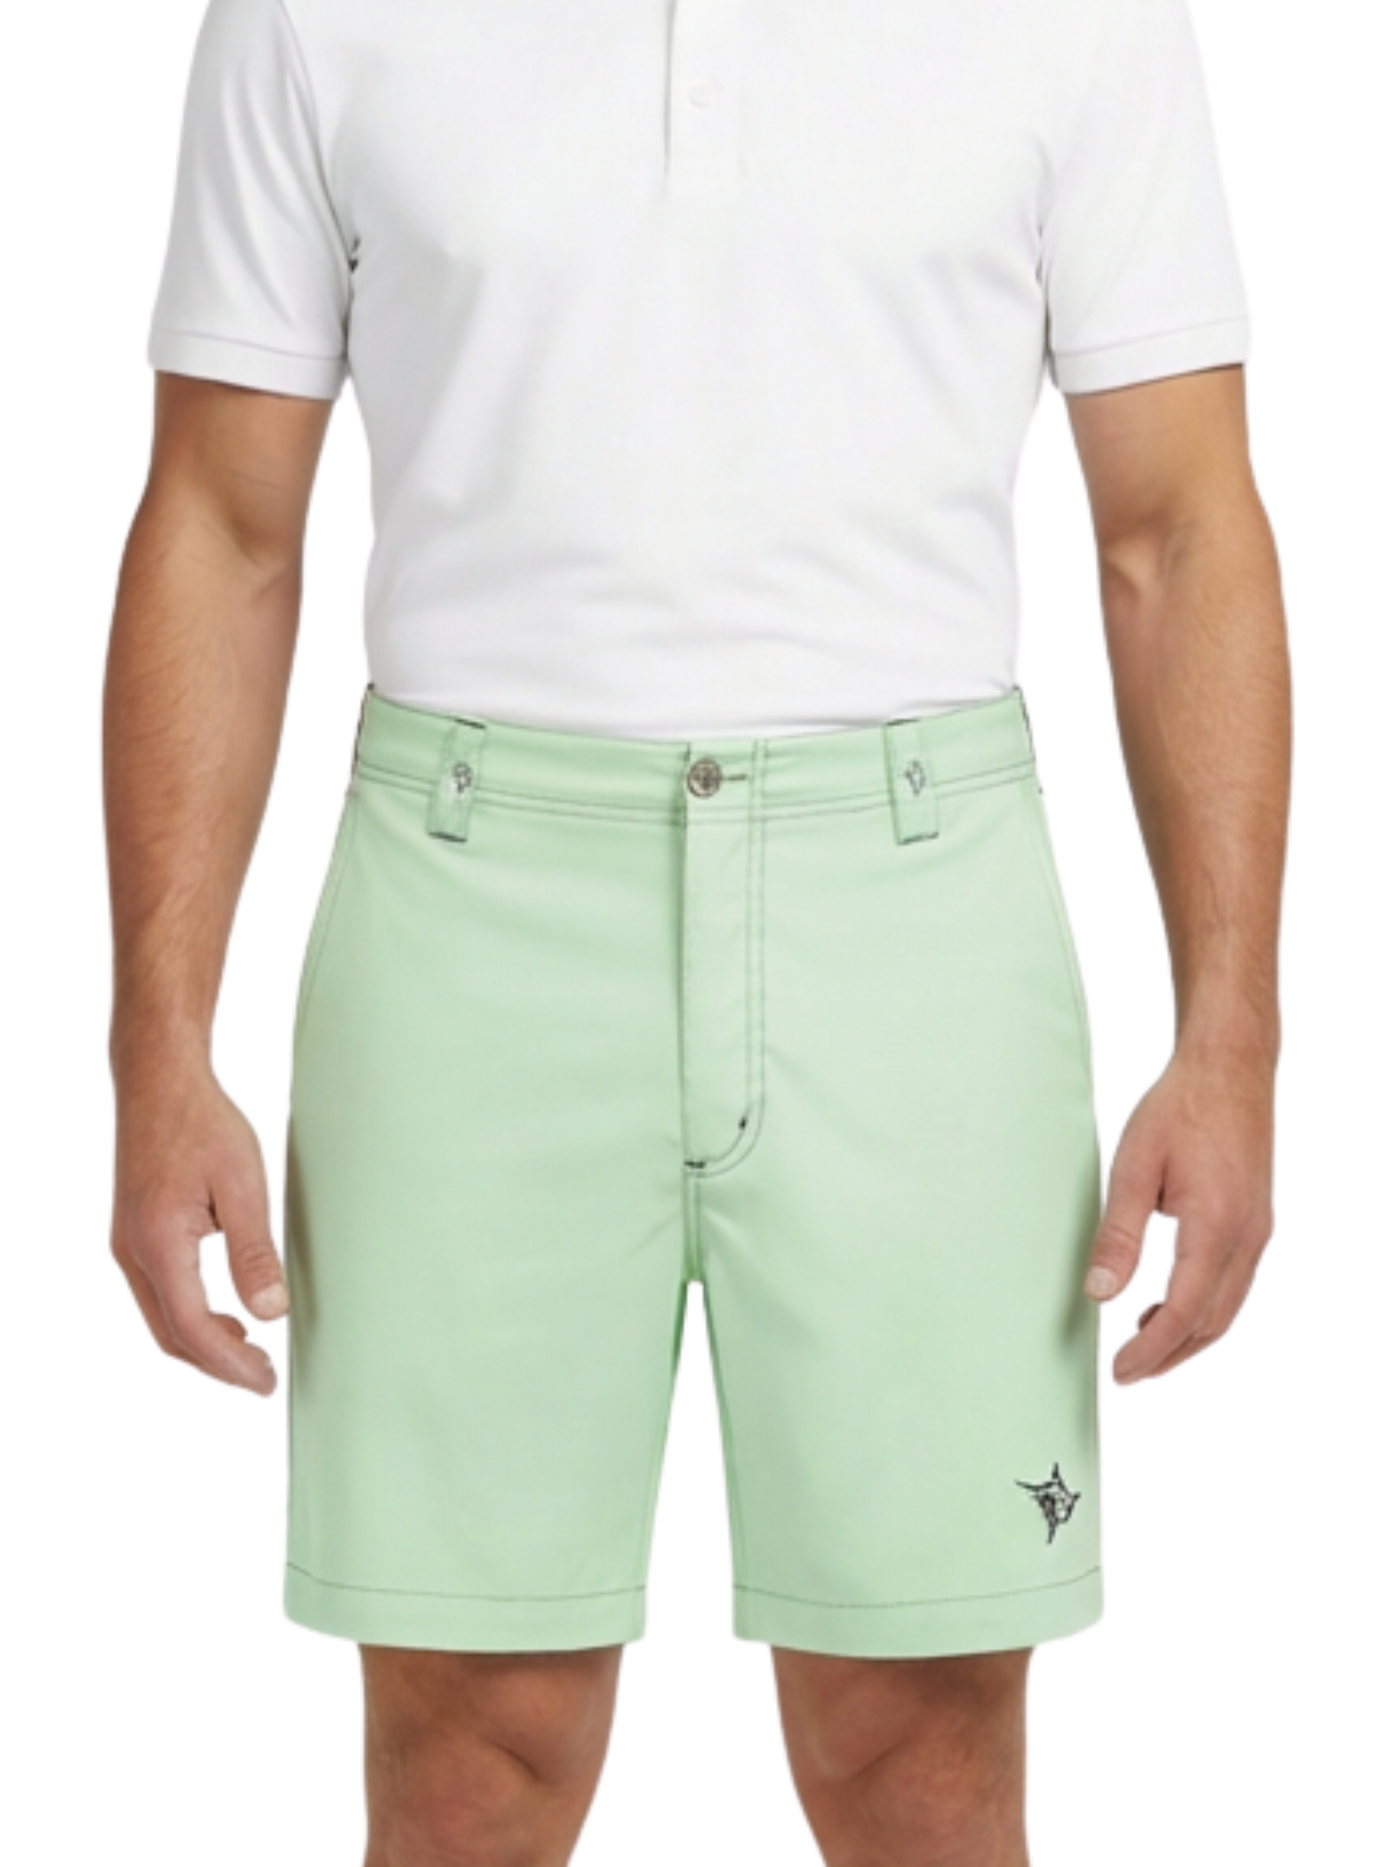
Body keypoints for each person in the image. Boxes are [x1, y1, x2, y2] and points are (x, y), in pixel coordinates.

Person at [103, 0, 1290, 1860]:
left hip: (916, 914)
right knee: (470, 1745)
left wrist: (1233, 1036)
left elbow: (1181, 526)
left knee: (921, 1740)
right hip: (470, 903)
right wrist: (156, 1044)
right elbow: (219, 523)